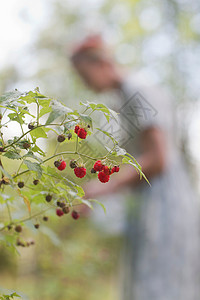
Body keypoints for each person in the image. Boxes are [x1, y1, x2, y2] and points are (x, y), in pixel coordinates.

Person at [70, 35, 200, 300]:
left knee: (160, 286)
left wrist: (101, 188)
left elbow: (157, 158)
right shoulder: (126, 95)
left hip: (164, 205)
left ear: (101, 64)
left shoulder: (136, 89)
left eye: (84, 74)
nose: (84, 82)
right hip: (153, 202)